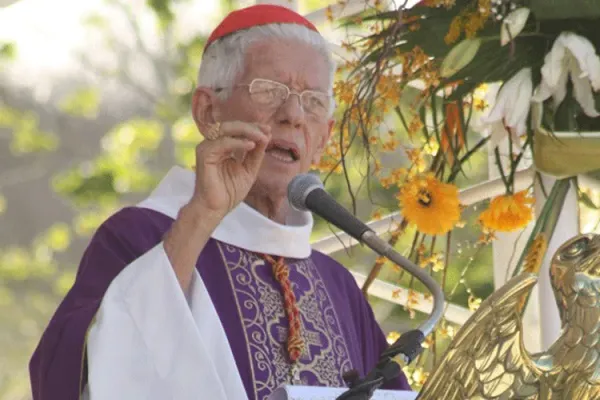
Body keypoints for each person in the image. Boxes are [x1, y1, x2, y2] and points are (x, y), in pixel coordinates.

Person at [29, 4, 411, 400]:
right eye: (270, 90)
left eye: (313, 101)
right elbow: (84, 379)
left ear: (326, 136)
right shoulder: (139, 236)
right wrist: (202, 216)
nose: (294, 115)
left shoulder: (337, 285)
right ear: (207, 111)